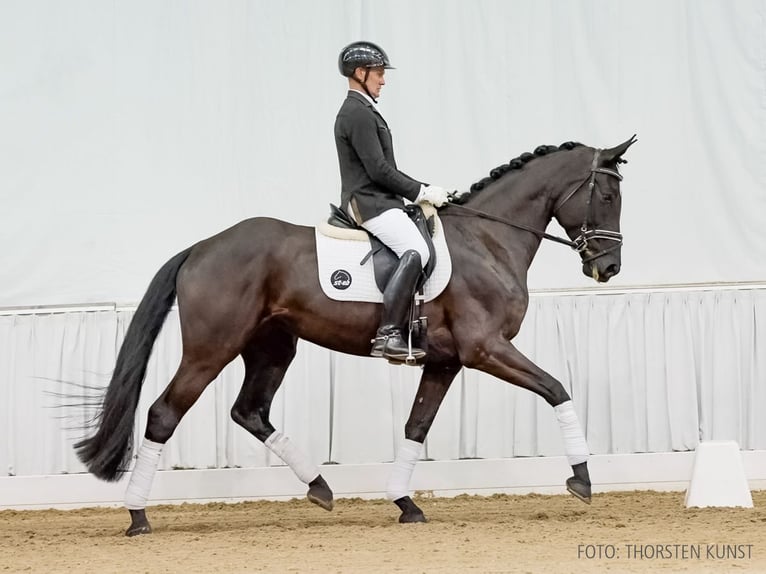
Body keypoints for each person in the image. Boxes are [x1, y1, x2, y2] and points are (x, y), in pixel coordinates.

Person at [334, 41, 452, 362]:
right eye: (379, 73)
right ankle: (389, 332)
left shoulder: (364, 110)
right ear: (360, 73)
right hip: (370, 203)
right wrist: (421, 190)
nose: (383, 80)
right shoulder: (356, 113)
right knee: (419, 251)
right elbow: (378, 170)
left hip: (382, 200)